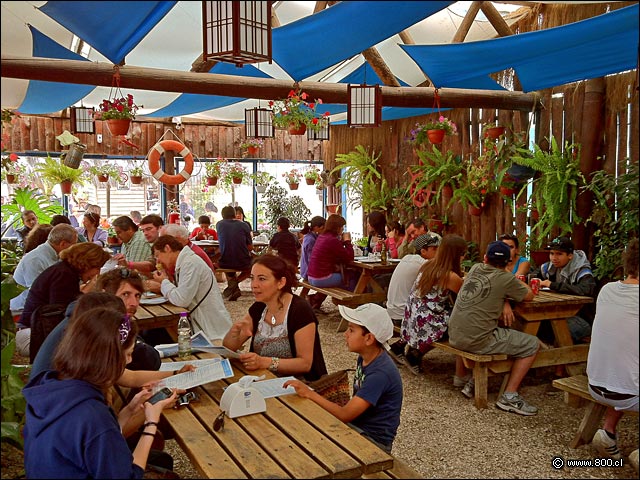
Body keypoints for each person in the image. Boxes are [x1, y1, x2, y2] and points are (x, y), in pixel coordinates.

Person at [23, 306, 179, 478]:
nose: (130, 360)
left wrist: (129, 410)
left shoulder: (51, 386)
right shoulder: (92, 414)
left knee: (161, 460)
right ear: (107, 359)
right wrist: (151, 423)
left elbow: (95, 442)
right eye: (127, 354)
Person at [284, 303, 403, 453]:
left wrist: (309, 393)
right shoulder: (366, 357)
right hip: (358, 427)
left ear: (368, 338)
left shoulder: (380, 373)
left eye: (351, 330)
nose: (345, 334)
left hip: (373, 441)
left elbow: (345, 414)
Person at [448, 241, 540, 416]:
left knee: (491, 327)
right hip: (476, 340)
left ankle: (471, 380)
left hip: (454, 334)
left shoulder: (475, 269)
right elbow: (529, 295)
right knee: (532, 344)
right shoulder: (505, 278)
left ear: (484, 258)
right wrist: (506, 279)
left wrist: (504, 299)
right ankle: (510, 396)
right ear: (507, 262)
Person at [223, 255, 327, 381]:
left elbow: (305, 364)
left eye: (262, 279)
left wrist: (264, 362)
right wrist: (233, 336)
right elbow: (229, 348)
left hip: (300, 386)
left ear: (281, 282)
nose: (254, 285)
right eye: (252, 278)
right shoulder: (259, 307)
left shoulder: (300, 310)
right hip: (264, 380)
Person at [586, 238, 638, 468]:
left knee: (624, 361)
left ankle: (607, 433)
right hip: (629, 395)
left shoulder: (607, 290)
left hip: (596, 385)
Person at [17, 242, 110, 358]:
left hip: (33, 330)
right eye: (98, 267)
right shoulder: (64, 275)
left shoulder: (63, 270)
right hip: (31, 335)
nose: (98, 273)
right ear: (88, 263)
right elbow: (62, 314)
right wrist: (89, 288)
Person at [399, 234, 467, 377]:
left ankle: (410, 348)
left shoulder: (428, 265)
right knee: (462, 324)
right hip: (427, 320)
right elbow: (467, 297)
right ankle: (415, 354)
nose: (464, 257)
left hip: (412, 314)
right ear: (456, 255)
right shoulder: (449, 276)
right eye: (463, 254)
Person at [148, 235, 232, 341]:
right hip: (201, 323)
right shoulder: (185, 262)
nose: (158, 261)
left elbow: (181, 300)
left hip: (210, 330)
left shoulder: (190, 263)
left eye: (157, 255)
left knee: (155, 335)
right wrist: (164, 283)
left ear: (167, 248)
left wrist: (163, 283)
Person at [386, 233, 442, 362]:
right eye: (435, 249)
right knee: (441, 322)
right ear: (423, 251)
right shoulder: (425, 265)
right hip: (403, 316)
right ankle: (414, 354)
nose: (438, 252)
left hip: (393, 311)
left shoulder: (407, 258)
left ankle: (399, 346)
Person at [534, 236, 596, 344]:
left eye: (559, 254)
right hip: (558, 313)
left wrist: (553, 285)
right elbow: (533, 274)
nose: (554, 258)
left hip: (581, 319)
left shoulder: (582, 271)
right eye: (552, 253)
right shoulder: (549, 267)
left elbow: (586, 290)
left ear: (570, 255)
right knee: (535, 323)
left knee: (551, 328)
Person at [11, 224, 78, 317]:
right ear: (63, 244)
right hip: (23, 312)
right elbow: (37, 295)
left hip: (44, 307)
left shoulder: (55, 255)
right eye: (74, 244)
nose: (74, 248)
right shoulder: (35, 259)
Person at [307, 214, 356, 291]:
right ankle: (352, 301)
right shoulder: (332, 240)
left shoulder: (322, 236)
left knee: (344, 276)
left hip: (311, 276)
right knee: (351, 276)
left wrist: (343, 242)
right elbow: (349, 258)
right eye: (342, 227)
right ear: (337, 228)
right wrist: (347, 241)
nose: (343, 229)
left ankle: (316, 299)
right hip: (320, 279)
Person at [217, 205, 253, 301]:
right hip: (243, 262)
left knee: (226, 258)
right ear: (234, 214)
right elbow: (250, 247)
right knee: (252, 265)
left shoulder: (219, 224)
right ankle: (235, 283)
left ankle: (233, 286)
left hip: (224, 262)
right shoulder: (244, 225)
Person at [299, 216, 327, 309]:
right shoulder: (311, 240)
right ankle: (315, 300)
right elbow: (313, 261)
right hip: (308, 272)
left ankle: (315, 300)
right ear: (319, 228)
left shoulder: (309, 236)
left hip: (305, 270)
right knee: (331, 279)